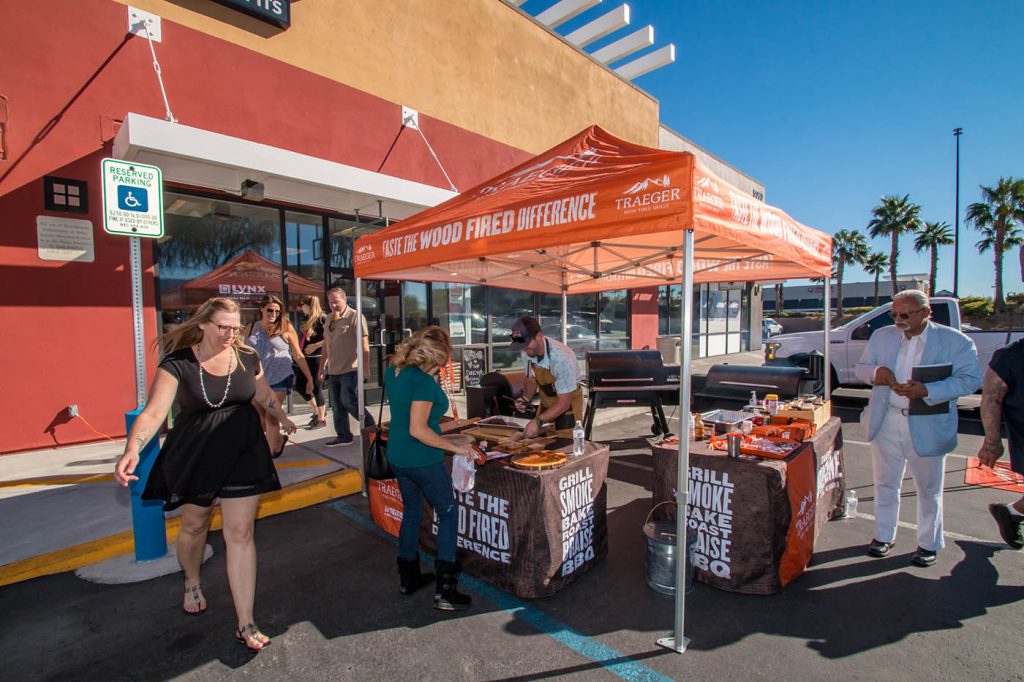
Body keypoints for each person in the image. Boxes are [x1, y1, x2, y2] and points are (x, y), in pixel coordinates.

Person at [114, 297, 297, 653]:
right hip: (197, 450)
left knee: (241, 532)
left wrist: (282, 416)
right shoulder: (178, 363)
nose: (231, 333)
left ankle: (245, 621)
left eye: (234, 327)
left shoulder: (247, 356)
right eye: (223, 327)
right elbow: (154, 413)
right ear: (203, 324)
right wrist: (132, 449)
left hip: (243, 447)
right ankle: (192, 579)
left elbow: (261, 394)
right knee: (195, 525)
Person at [854, 290, 982, 567]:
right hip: (886, 419)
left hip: (928, 423)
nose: (898, 320)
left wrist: (929, 390)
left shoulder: (955, 341)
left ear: (926, 313)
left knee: (928, 488)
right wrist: (877, 374)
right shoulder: (882, 336)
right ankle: (883, 535)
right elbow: (860, 369)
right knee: (885, 482)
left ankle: (928, 543)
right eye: (894, 314)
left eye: (905, 314)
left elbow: (970, 379)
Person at [385, 326, 475, 610]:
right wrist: (455, 447)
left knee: (411, 511)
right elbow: (418, 430)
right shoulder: (423, 383)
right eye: (442, 361)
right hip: (422, 458)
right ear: (434, 358)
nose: (443, 367)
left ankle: (408, 577)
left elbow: (409, 418)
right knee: (448, 512)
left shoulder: (394, 371)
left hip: (398, 455)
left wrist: (452, 432)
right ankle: (445, 591)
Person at [246, 294, 314, 456]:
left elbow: (298, 355)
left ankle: (270, 455)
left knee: (272, 416)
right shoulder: (250, 327)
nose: (274, 315)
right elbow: (243, 351)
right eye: (270, 310)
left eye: (278, 312)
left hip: (280, 377)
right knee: (259, 420)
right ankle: (278, 440)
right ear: (261, 309)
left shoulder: (286, 328)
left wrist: (310, 378)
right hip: (257, 379)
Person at [976, 337, 1024, 549]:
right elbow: (991, 398)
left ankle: (1012, 513)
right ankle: (1012, 513)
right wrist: (991, 442)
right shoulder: (1011, 355)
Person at [509, 316, 583, 439]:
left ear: (539, 336)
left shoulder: (561, 358)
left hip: (567, 404)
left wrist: (538, 421)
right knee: (541, 444)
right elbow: (531, 379)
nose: (524, 350)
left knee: (564, 445)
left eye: (526, 345)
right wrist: (526, 398)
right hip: (547, 401)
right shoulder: (526, 351)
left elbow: (564, 403)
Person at [319, 287, 374, 447]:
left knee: (348, 401)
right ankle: (343, 436)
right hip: (334, 370)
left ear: (344, 300)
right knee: (336, 405)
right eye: (330, 302)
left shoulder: (355, 317)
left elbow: (364, 344)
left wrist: (366, 368)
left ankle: (371, 429)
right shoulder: (329, 319)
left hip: (350, 369)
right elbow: (326, 346)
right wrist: (321, 367)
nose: (333, 305)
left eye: (336, 301)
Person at [295, 295, 328, 430]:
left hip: (317, 357)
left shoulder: (322, 319)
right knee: (300, 386)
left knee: (316, 386)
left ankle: (321, 419)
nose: (301, 307)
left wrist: (315, 345)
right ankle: (317, 411)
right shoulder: (305, 319)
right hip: (305, 358)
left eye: (302, 304)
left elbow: (330, 339)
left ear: (307, 305)